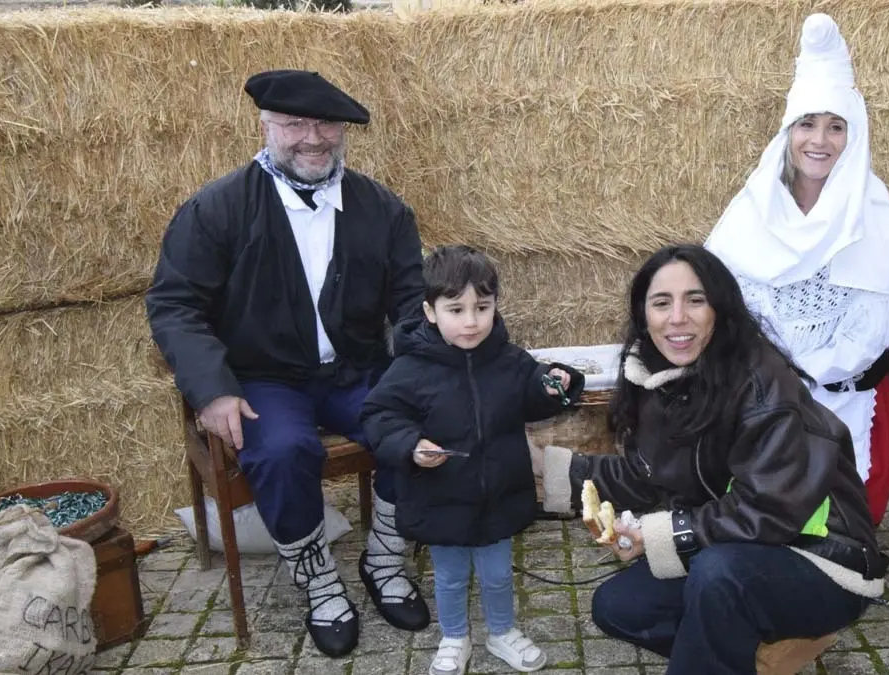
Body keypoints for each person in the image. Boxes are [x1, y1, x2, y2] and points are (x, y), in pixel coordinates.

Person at [146, 69, 430, 657]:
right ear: (266, 127)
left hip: (355, 370)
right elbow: (175, 305)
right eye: (295, 123)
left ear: (343, 130)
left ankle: (383, 557)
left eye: (326, 123)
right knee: (280, 450)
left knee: (418, 423)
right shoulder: (216, 209)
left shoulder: (383, 210)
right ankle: (317, 578)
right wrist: (213, 391)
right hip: (263, 378)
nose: (313, 138)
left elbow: (411, 303)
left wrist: (426, 372)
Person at [536, 244, 888, 675]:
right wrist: (551, 473)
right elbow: (647, 475)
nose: (677, 317)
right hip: (740, 548)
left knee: (716, 574)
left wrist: (661, 533)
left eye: (695, 300)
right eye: (661, 303)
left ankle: (732, 646)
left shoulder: (762, 384)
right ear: (643, 316)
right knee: (619, 606)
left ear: (720, 309)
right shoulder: (661, 377)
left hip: (822, 559)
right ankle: (749, 653)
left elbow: (768, 509)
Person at [704, 13, 889, 525]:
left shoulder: (873, 214)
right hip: (763, 405)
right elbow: (720, 308)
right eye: (807, 124)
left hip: (849, 405)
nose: (820, 140)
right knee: (761, 524)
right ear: (788, 130)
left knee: (835, 538)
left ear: (853, 136)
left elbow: (869, 334)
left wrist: (806, 376)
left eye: (836, 126)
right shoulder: (752, 209)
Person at [360, 245, 586, 675]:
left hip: (499, 496)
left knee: (498, 575)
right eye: (456, 309)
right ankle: (454, 638)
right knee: (449, 577)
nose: (471, 321)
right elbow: (379, 416)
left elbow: (532, 394)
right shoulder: (409, 369)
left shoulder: (509, 360)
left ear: (495, 305)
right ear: (430, 312)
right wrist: (411, 445)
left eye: (482, 307)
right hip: (441, 498)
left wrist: (555, 383)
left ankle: (501, 632)